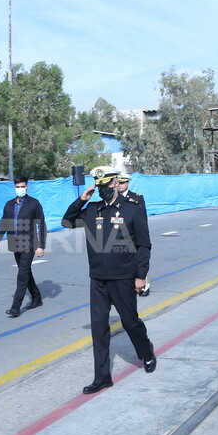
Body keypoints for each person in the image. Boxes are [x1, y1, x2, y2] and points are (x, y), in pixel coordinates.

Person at [61, 166, 156, 394]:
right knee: (99, 328)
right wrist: (81, 200)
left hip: (123, 278)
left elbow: (144, 244)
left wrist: (140, 276)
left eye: (106, 185)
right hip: (98, 279)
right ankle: (102, 377)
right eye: (99, 186)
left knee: (130, 322)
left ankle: (146, 351)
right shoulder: (92, 210)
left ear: (115, 183)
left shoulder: (132, 209)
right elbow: (66, 222)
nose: (103, 189)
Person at [0, 176, 47, 318]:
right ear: (14, 187)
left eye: (23, 186)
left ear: (27, 187)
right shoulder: (9, 204)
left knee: (22, 275)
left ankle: (15, 307)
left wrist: (41, 246)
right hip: (15, 244)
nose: (20, 189)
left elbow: (41, 225)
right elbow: (3, 222)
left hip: (29, 244)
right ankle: (37, 298)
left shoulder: (34, 203)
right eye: (18, 186)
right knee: (26, 272)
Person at [117, 172, 151, 297]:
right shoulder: (113, 198)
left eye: (122, 183)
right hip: (120, 233)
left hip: (134, 233)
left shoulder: (137, 198)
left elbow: (141, 219)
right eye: (118, 183)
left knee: (139, 259)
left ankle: (144, 284)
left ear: (127, 183)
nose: (119, 185)